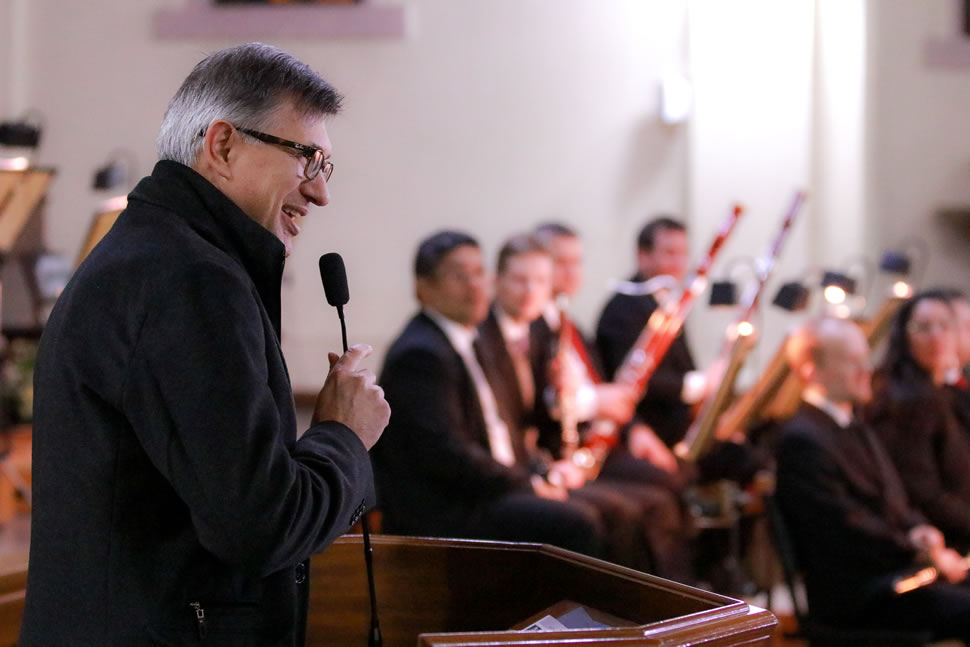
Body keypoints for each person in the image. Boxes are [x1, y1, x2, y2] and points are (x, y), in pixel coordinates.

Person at [20, 43, 390, 646]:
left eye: (326, 167)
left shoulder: (152, 255)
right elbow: (262, 526)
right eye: (307, 159)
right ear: (222, 146)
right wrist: (344, 435)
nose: (321, 193)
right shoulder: (189, 280)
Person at [371, 230, 605, 558]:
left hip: (488, 489)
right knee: (581, 522)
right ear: (422, 288)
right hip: (450, 509)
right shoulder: (421, 353)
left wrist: (543, 474)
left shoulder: (471, 340)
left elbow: (506, 432)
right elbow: (450, 455)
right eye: (459, 276)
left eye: (479, 272)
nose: (475, 285)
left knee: (611, 509)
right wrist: (528, 484)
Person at [476, 233, 689, 578]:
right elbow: (518, 422)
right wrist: (546, 470)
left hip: (568, 455)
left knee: (661, 492)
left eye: (540, 280)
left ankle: (678, 596)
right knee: (620, 513)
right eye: (520, 279)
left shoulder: (550, 329)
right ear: (496, 281)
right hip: (527, 471)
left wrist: (629, 426)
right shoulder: (494, 335)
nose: (531, 290)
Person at [775, 317, 970, 640]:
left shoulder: (853, 422)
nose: (866, 369)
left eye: (865, 358)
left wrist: (919, 530)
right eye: (852, 361)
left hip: (899, 575)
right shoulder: (803, 439)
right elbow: (843, 529)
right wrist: (920, 551)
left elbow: (894, 497)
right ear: (813, 370)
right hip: (863, 594)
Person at [868, 289, 970, 552]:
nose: (936, 336)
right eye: (923, 328)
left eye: (944, 326)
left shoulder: (945, 392)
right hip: (938, 541)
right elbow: (924, 494)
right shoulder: (907, 400)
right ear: (904, 337)